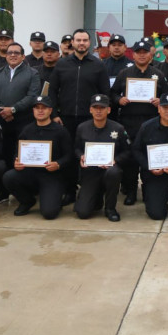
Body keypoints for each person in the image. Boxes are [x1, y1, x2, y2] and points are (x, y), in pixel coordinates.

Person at [48, 29, 111, 204]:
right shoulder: (62, 64)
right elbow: (52, 90)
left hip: (90, 120)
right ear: (72, 43)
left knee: (88, 155)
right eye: (78, 40)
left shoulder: (98, 65)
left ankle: (91, 191)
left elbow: (105, 93)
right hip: (65, 118)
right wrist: (54, 114)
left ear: (89, 43)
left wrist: (100, 118)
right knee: (68, 154)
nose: (81, 43)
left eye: (84, 40)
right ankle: (69, 190)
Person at [111, 40, 168, 205]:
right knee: (131, 159)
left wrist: (160, 101)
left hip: (152, 123)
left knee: (149, 156)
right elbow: (112, 93)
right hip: (129, 122)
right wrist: (119, 99)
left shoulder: (158, 74)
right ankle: (131, 191)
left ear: (150, 54)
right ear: (133, 54)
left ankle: (148, 189)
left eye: (145, 52)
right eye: (138, 52)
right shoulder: (125, 73)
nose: (142, 55)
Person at [0, 41, 41, 201]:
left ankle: (25, 191)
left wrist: (14, 109)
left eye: (16, 53)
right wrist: (1, 110)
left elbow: (32, 96)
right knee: (3, 155)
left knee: (22, 157)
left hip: (23, 122)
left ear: (23, 56)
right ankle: (3, 191)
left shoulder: (32, 73)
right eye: (10, 52)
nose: (12, 55)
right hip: (1, 121)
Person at [3, 95, 74, 219]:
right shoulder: (27, 130)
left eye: (44, 108)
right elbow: (17, 152)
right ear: (33, 110)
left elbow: (70, 155)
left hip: (52, 175)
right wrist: (17, 162)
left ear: (50, 111)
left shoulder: (60, 131)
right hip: (30, 173)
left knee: (49, 213)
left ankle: (54, 197)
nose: (40, 111)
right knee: (9, 177)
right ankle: (27, 201)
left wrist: (58, 164)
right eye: (37, 108)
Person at [73, 94, 130, 221]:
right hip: (90, 172)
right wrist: (81, 156)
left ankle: (110, 208)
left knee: (114, 172)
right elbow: (76, 148)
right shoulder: (82, 128)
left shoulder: (118, 128)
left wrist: (115, 161)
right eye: (95, 107)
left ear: (108, 110)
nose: (99, 111)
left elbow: (127, 152)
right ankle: (96, 197)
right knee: (82, 213)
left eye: (102, 108)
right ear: (90, 109)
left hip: (109, 170)